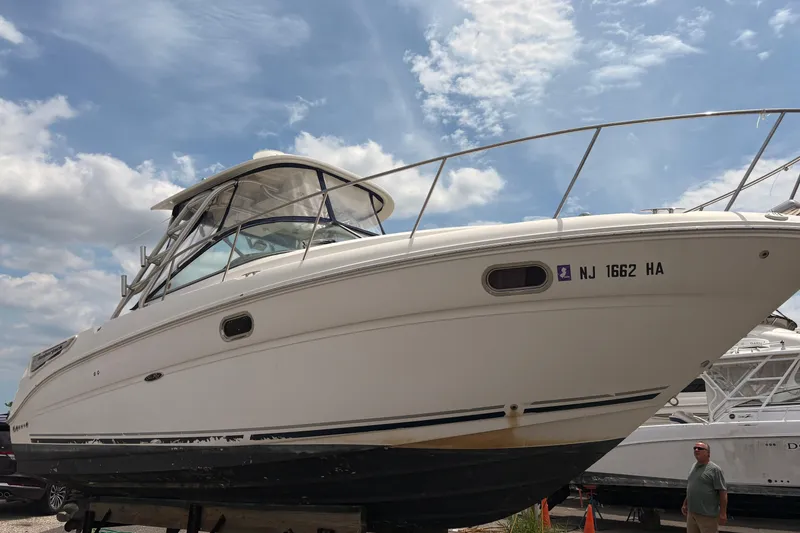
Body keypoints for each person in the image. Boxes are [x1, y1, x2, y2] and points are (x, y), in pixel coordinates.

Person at [681, 441, 728, 533]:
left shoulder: (715, 470)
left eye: (700, 448)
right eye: (695, 448)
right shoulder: (694, 466)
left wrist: (723, 513)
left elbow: (723, 492)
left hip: (707, 515)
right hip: (692, 514)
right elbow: (692, 487)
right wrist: (685, 503)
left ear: (708, 453)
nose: (696, 450)